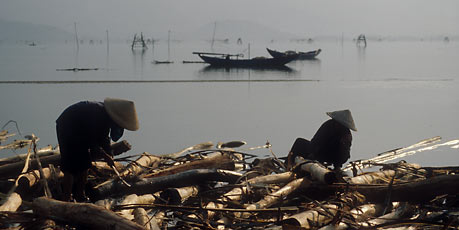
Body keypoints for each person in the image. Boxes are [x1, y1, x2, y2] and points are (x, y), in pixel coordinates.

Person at [56, 98, 139, 202]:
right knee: (70, 166)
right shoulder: (98, 114)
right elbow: (91, 139)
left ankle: (80, 195)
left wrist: (109, 153)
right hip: (68, 126)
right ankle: (66, 198)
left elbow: (104, 137)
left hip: (81, 131)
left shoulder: (107, 118)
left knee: (85, 164)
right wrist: (104, 155)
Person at [287, 109, 357, 170]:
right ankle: (336, 167)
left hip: (322, 155)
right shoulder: (347, 133)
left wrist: (313, 154)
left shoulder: (329, 125)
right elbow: (346, 153)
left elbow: (316, 141)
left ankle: (288, 165)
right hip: (334, 158)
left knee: (299, 142)